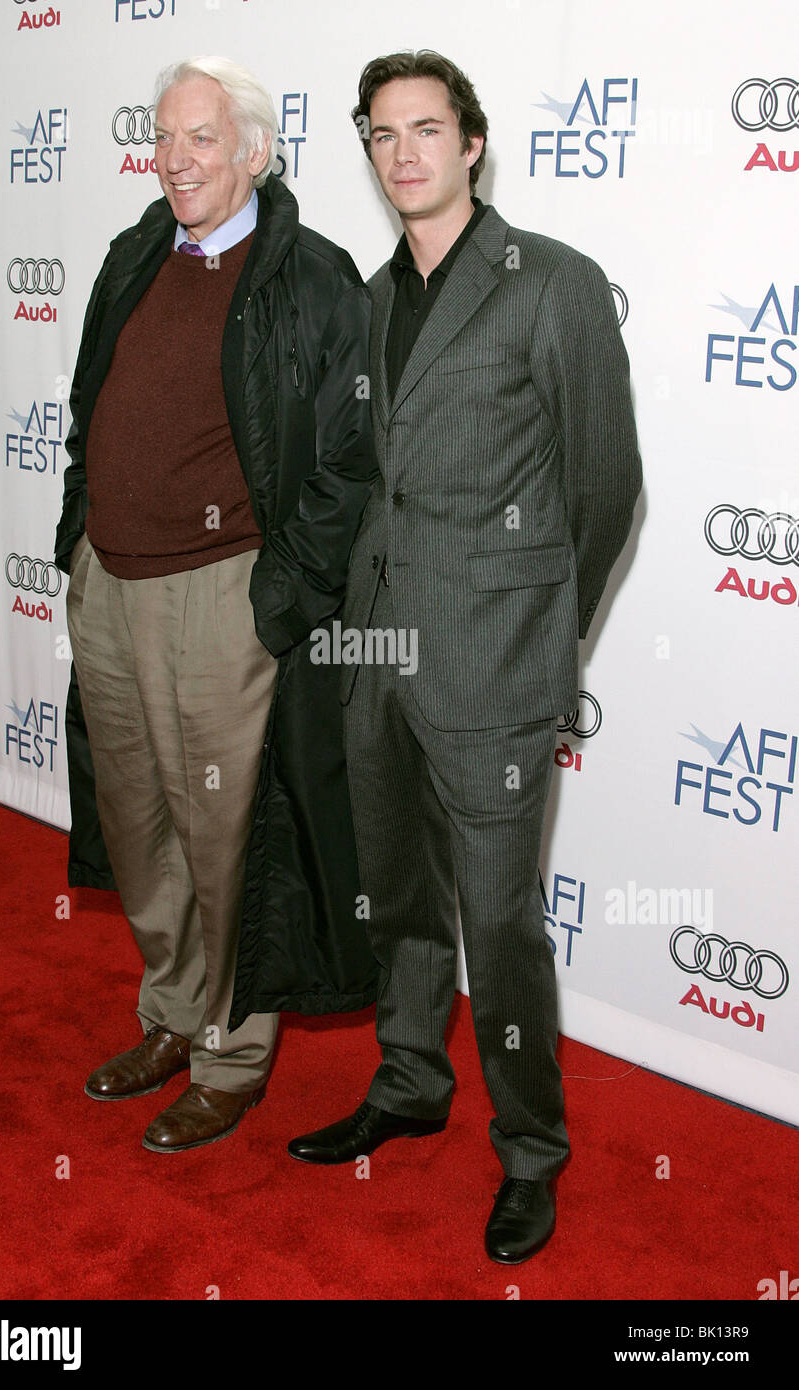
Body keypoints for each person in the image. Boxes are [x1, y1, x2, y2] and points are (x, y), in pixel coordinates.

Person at [288, 50, 642, 1263]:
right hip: (377, 653)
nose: (403, 153)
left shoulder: (550, 283)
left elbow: (606, 484)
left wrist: (544, 628)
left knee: (498, 930)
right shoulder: (377, 294)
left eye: (426, 129)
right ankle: (407, 1080)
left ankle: (530, 1150)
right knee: (396, 896)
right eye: (381, 134)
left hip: (492, 666)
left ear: (472, 144)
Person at [55, 55, 377, 1154]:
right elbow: (88, 401)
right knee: (138, 825)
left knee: (222, 835)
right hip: (110, 583)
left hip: (219, 597)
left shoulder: (312, 277)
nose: (175, 158)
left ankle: (230, 1057)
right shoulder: (132, 253)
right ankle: (171, 1015)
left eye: (200, 138)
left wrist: (277, 594)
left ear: (253, 150)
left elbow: (347, 461)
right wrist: (75, 533)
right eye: (162, 136)